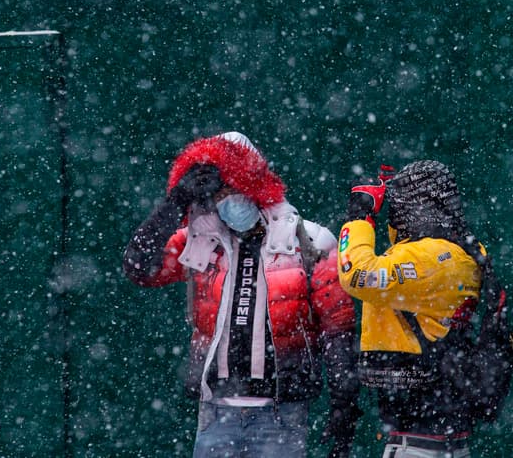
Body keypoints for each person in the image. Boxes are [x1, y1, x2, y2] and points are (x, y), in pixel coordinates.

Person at [122, 132, 360, 458]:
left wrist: (343, 405)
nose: (225, 199)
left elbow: (338, 329)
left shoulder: (310, 241)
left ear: (254, 184)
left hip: (281, 415)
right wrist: (174, 202)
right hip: (216, 413)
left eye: (231, 188)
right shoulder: (201, 243)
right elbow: (138, 267)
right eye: (216, 193)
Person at [338, 159, 487, 458]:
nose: (394, 210)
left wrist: (360, 219)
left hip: (418, 441)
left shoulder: (432, 257)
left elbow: (357, 274)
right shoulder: (457, 251)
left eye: (399, 201)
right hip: (442, 432)